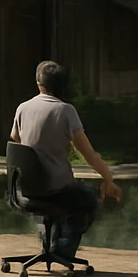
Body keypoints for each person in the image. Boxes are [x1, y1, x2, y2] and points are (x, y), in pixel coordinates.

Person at [11, 60, 122, 259]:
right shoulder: (65, 111)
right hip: (57, 189)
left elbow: (15, 141)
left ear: (38, 84)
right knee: (88, 200)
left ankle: (49, 245)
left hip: (25, 188)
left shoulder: (22, 108)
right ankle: (63, 249)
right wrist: (108, 178)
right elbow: (88, 154)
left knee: (49, 198)